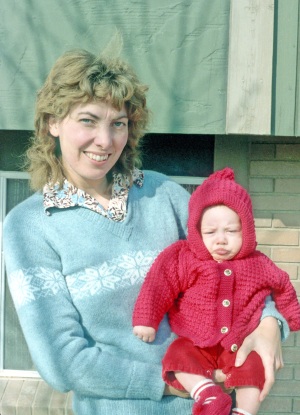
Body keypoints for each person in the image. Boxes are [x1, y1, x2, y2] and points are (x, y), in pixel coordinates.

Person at [3, 44, 286, 415]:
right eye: (88, 120)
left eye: (117, 123)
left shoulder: (163, 194)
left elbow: (238, 269)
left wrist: (269, 324)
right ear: (53, 123)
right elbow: (62, 363)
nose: (105, 141)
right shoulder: (29, 227)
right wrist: (175, 381)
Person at [133, 167, 300, 415]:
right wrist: (147, 320)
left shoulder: (258, 263)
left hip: (240, 343)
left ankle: (244, 411)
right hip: (195, 342)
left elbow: (283, 286)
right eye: (210, 232)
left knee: (254, 366)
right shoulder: (184, 257)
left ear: (247, 230)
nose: (220, 240)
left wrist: (291, 318)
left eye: (231, 231)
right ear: (197, 231)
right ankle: (208, 394)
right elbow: (159, 283)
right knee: (178, 356)